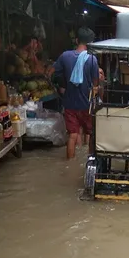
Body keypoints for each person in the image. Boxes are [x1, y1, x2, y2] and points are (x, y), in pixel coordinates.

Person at [49, 27, 99, 159]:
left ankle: (70, 164)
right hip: (86, 105)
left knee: (73, 135)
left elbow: (51, 72)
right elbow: (95, 83)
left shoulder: (65, 56)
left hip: (70, 103)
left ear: (77, 40)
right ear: (91, 43)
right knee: (90, 134)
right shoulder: (92, 59)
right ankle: (89, 163)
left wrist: (57, 86)